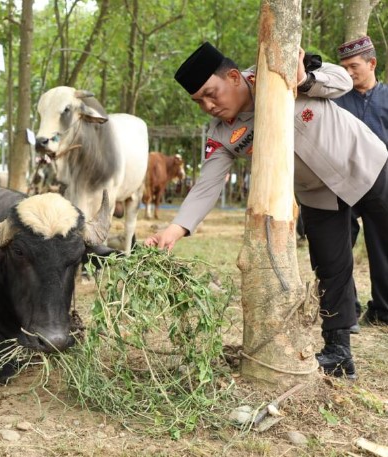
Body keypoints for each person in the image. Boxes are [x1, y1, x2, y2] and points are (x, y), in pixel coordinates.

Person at [145, 42, 388, 379]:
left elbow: (342, 80)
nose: (208, 106)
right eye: (199, 101)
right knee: (331, 268)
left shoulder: (276, 73)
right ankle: (339, 351)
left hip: (366, 166)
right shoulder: (223, 134)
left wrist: (304, 80)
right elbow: (207, 185)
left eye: (211, 94)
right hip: (317, 195)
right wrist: (175, 229)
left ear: (233, 77)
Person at [334, 36, 388, 327]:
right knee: (339, 245)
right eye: (344, 68)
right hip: (344, 183)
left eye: (354, 66)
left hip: (384, 185)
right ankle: (347, 311)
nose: (349, 73)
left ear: (372, 63)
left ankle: (382, 311)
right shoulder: (336, 100)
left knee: (382, 247)